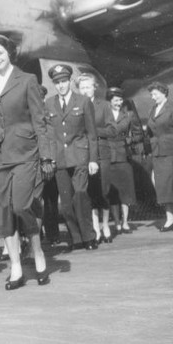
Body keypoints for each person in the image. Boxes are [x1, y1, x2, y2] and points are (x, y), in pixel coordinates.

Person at [0, 35, 52, 289]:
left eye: (0, 53)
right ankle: (16, 267)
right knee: (3, 213)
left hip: (24, 152)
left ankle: (37, 252)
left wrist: (47, 155)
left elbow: (40, 122)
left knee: (21, 206)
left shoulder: (27, 80)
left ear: (9, 54)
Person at [43, 64, 100, 251]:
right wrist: (50, 158)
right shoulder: (49, 104)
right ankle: (76, 238)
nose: (61, 85)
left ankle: (89, 236)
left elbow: (91, 133)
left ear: (69, 82)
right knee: (66, 204)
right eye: (57, 82)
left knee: (81, 196)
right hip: (59, 159)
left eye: (64, 81)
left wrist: (93, 159)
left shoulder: (83, 101)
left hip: (80, 156)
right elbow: (49, 135)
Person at [146, 82, 173, 231]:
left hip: (171, 153)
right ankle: (170, 218)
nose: (152, 97)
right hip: (157, 153)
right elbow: (150, 132)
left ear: (164, 93)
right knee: (162, 187)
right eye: (151, 94)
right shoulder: (153, 110)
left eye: (155, 94)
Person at [77, 73, 112, 243]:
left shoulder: (104, 105)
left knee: (103, 191)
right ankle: (96, 228)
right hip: (85, 154)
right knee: (90, 192)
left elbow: (112, 130)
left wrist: (93, 132)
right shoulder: (77, 106)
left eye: (87, 87)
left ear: (94, 88)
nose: (85, 90)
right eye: (82, 88)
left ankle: (106, 225)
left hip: (102, 153)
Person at [104, 87, 140, 233]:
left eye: (120, 100)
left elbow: (139, 134)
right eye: (116, 100)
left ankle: (125, 222)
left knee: (126, 191)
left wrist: (129, 139)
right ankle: (117, 222)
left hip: (123, 156)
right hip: (108, 156)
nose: (119, 103)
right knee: (112, 193)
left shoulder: (129, 115)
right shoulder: (104, 115)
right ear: (109, 101)